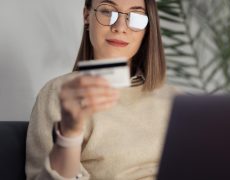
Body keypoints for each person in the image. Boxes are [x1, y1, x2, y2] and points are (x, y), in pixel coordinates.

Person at [25, 0, 180, 179]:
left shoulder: (174, 97)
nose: (120, 27)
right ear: (86, 16)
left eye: (136, 16)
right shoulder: (60, 93)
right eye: (107, 11)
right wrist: (68, 135)